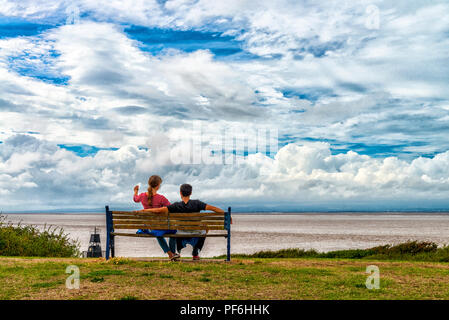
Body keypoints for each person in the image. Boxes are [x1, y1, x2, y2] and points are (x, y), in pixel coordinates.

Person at [135, 183, 224, 260]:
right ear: (191, 193)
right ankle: (195, 252)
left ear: (180, 193)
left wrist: (144, 211)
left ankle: (175, 251)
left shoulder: (176, 205)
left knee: (173, 231)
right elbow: (213, 208)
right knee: (205, 229)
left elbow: (159, 210)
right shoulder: (197, 203)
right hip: (196, 231)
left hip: (180, 231)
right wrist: (225, 215)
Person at [133, 175, 180, 261]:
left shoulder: (142, 196)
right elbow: (171, 208)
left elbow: (135, 199)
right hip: (161, 225)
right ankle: (172, 253)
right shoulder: (161, 198)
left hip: (150, 226)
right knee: (173, 231)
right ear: (158, 185)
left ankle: (171, 254)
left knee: (158, 233)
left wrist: (135, 191)